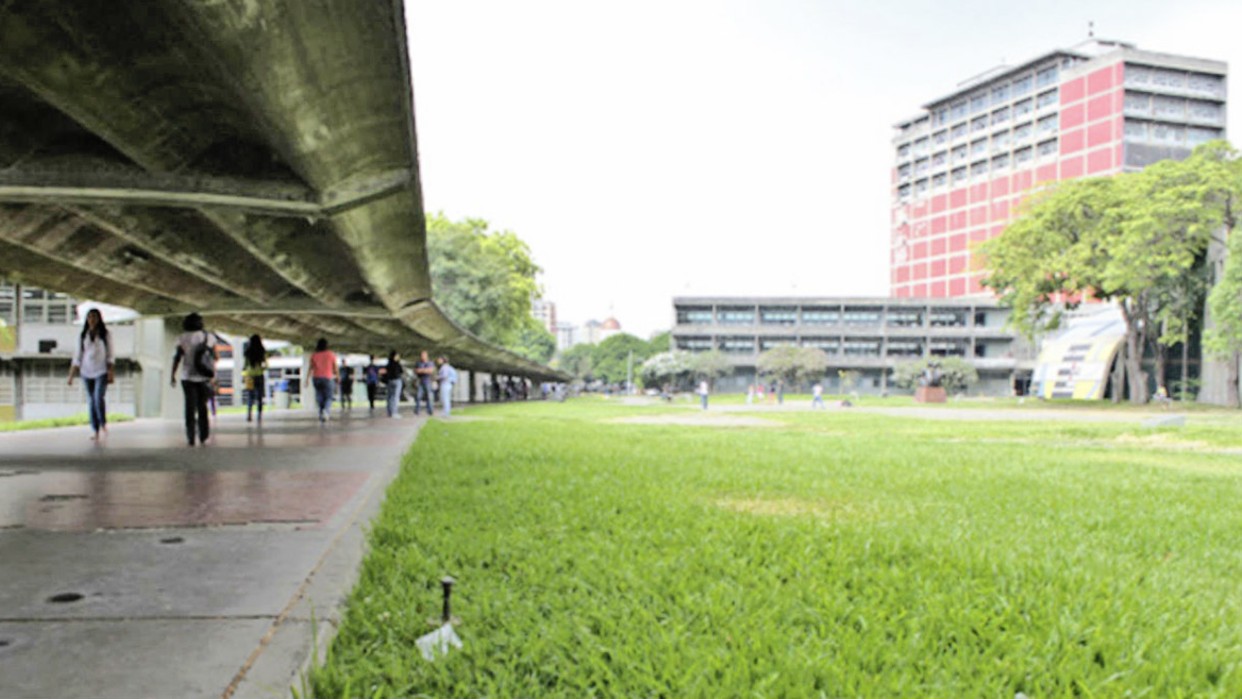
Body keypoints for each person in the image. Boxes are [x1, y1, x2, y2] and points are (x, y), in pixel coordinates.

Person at [170, 312, 219, 446]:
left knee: (189, 408)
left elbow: (177, 357)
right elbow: (216, 357)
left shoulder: (182, 338)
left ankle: (190, 436)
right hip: (204, 377)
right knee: (202, 407)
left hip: (187, 377)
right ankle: (203, 435)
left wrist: (173, 375)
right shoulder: (209, 337)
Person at [67, 308, 114, 441]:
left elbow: (110, 355)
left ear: (99, 319)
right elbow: (77, 357)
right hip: (86, 372)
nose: (92, 319)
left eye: (94, 317)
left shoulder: (105, 335)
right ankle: (95, 430)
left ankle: (103, 423)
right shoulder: (83, 335)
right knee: (91, 401)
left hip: (101, 371)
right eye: (89, 317)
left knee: (98, 398)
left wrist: (111, 372)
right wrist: (71, 376)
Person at [305, 338, 338, 423]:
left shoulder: (314, 355)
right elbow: (335, 367)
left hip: (316, 378)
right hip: (327, 378)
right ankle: (326, 411)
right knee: (329, 397)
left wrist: (307, 379)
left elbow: (310, 368)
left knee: (320, 396)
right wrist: (338, 377)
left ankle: (320, 413)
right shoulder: (331, 354)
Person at [242, 334, 268, 423]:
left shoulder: (247, 352)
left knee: (250, 396)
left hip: (249, 376)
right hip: (259, 375)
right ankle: (259, 416)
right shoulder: (262, 351)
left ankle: (249, 414)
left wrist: (245, 374)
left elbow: (245, 365)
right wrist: (261, 369)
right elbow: (266, 365)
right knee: (259, 396)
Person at [413, 350, 435, 416]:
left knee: (429, 396)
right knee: (418, 396)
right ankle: (417, 410)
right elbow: (416, 371)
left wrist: (421, 370)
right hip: (420, 381)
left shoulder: (430, 363)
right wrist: (425, 370)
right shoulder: (418, 363)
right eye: (422, 355)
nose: (423, 357)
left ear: (427, 356)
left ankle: (430, 411)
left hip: (428, 381)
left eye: (424, 355)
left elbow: (431, 371)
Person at [384, 350, 404, 418]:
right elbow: (401, 371)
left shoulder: (388, 364)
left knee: (390, 397)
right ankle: (394, 412)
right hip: (397, 380)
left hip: (390, 381)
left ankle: (389, 412)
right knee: (395, 397)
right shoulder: (397, 364)